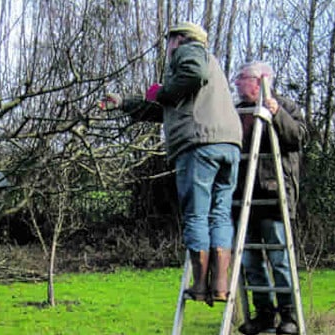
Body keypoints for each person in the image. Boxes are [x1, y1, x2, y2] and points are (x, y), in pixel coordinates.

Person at [99, 22, 243, 305]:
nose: (168, 48)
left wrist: (163, 92)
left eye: (169, 42)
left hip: (199, 144)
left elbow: (190, 76)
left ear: (178, 39)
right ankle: (221, 286)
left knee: (196, 215)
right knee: (220, 214)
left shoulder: (190, 52)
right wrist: (124, 103)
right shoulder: (211, 69)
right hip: (228, 145)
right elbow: (165, 110)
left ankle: (200, 286)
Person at [232, 61, 307, 335]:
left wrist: (275, 114)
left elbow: (297, 138)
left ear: (261, 80)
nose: (237, 84)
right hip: (243, 197)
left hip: (275, 196)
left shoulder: (285, 106)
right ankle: (263, 314)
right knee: (250, 259)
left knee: (279, 258)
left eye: (242, 79)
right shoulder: (237, 111)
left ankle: (289, 316)